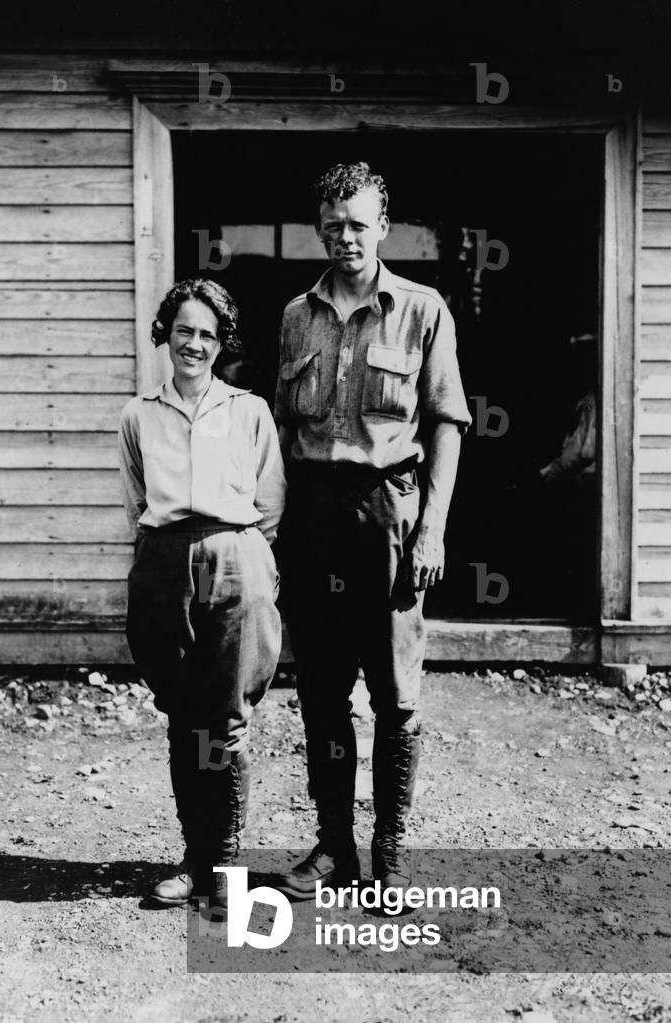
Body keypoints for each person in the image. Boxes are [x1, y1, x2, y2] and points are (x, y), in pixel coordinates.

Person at [272, 163, 471, 898]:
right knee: (321, 693)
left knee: (394, 694)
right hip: (314, 514)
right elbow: (283, 429)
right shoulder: (297, 315)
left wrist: (433, 531)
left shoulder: (422, 310)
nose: (345, 237)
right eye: (333, 225)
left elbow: (448, 423)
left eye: (358, 224)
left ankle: (388, 852)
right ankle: (333, 847)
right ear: (319, 227)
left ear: (383, 226)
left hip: (388, 514)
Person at [118, 277, 285, 909]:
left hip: (236, 558)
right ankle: (194, 857)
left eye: (207, 335)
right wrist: (170, 556)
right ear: (166, 334)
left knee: (229, 718)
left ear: (222, 344)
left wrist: (240, 555)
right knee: (183, 717)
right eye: (183, 330)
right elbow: (137, 499)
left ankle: (226, 866)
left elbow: (269, 502)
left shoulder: (249, 411)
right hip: (164, 562)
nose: (194, 344)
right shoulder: (139, 414)